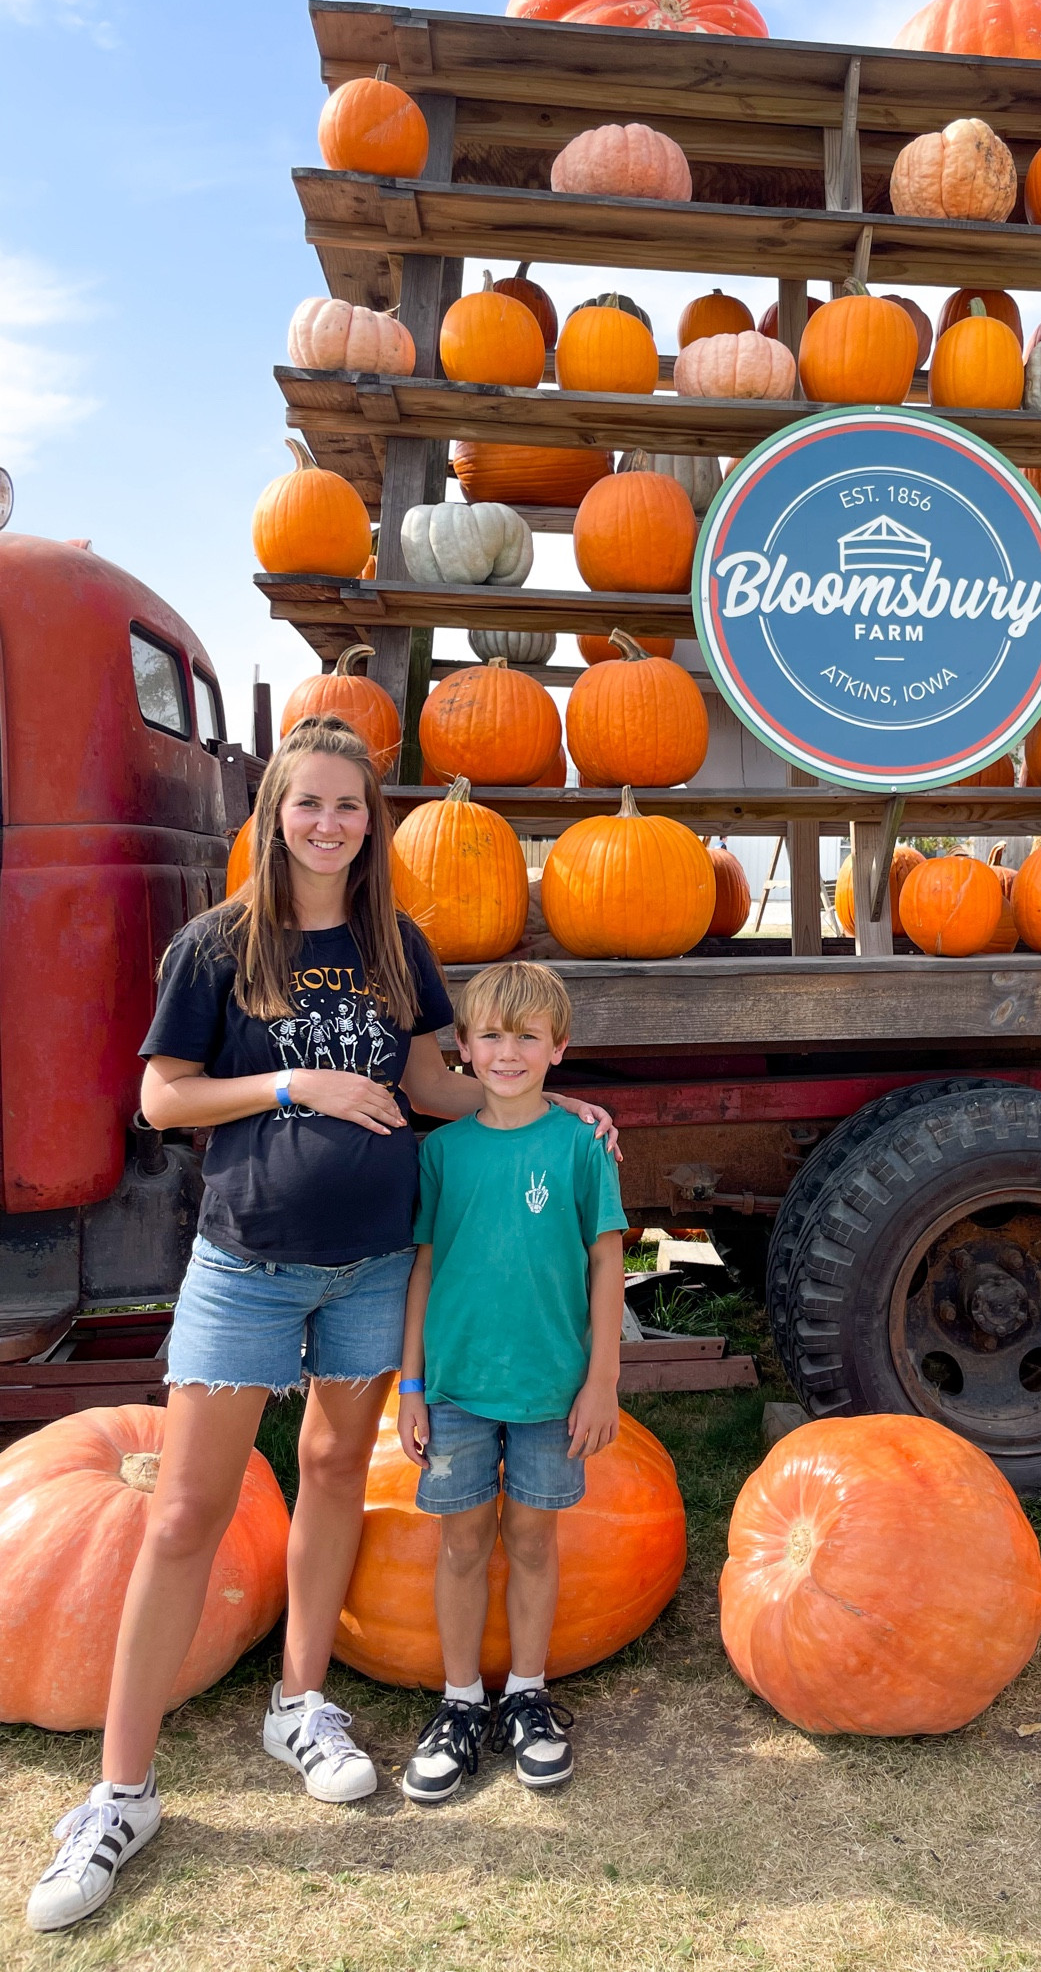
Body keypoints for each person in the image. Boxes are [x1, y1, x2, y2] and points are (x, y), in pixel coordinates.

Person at [27, 715, 617, 1933]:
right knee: (185, 1509)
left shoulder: (398, 945)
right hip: (245, 1262)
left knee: (337, 1468)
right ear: (275, 814)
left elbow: (435, 1083)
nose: (329, 822)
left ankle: (300, 1702)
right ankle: (120, 1791)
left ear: (371, 822)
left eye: (350, 805)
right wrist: (296, 1083)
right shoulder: (218, 945)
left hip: (367, 1266)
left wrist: (557, 1109)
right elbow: (163, 1094)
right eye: (309, 804)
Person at [396, 960, 627, 1805]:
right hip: (455, 1388)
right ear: (461, 1048)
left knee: (532, 1540)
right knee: (461, 1545)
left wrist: (603, 1379)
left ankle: (528, 1694)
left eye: (527, 1037)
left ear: (558, 1048)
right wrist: (411, 1386)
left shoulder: (579, 1146)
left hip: (552, 1391)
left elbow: (608, 1262)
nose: (507, 1051)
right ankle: (460, 1704)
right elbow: (423, 1269)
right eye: (490, 1035)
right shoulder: (443, 1152)